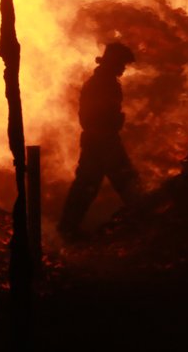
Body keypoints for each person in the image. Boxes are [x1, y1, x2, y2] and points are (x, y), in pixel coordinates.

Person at [58, 42, 140, 240]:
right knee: (124, 181)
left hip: (100, 140)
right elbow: (92, 116)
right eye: (121, 64)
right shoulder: (102, 84)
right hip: (101, 141)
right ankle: (146, 222)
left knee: (88, 186)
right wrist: (113, 122)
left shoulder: (103, 82)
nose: (123, 68)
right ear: (113, 63)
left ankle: (66, 230)